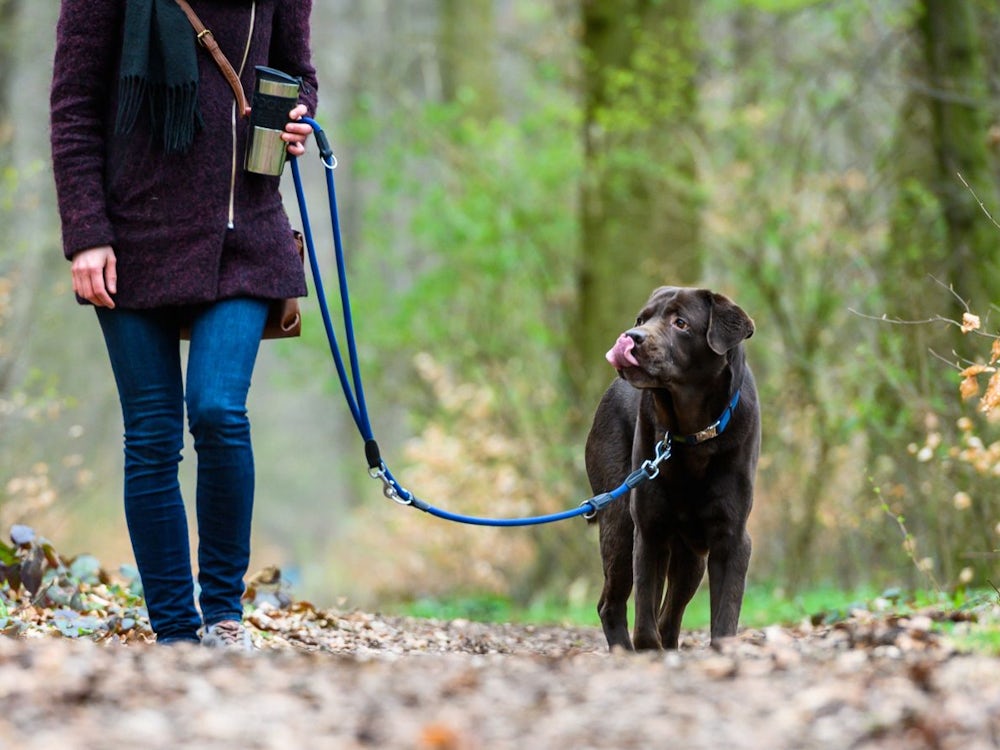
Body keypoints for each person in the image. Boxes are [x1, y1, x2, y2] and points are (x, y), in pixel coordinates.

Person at [49, 0, 318, 648]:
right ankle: (175, 634)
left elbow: (298, 74)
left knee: (219, 411)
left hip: (243, 234)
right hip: (132, 237)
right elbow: (74, 107)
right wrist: (86, 234)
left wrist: (299, 120)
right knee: (151, 434)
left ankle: (223, 617)